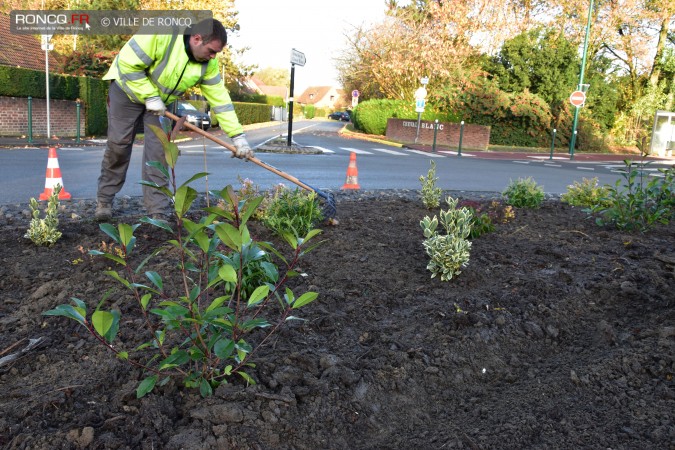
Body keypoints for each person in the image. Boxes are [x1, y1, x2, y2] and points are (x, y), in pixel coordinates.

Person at [96, 18, 253, 221]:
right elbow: (127, 64)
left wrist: (238, 137)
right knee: (118, 146)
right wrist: (149, 96)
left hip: (162, 105)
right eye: (211, 51)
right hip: (127, 92)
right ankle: (104, 201)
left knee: (160, 154)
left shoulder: (209, 64)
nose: (213, 57)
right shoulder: (160, 32)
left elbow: (221, 101)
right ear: (197, 39)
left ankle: (157, 211)